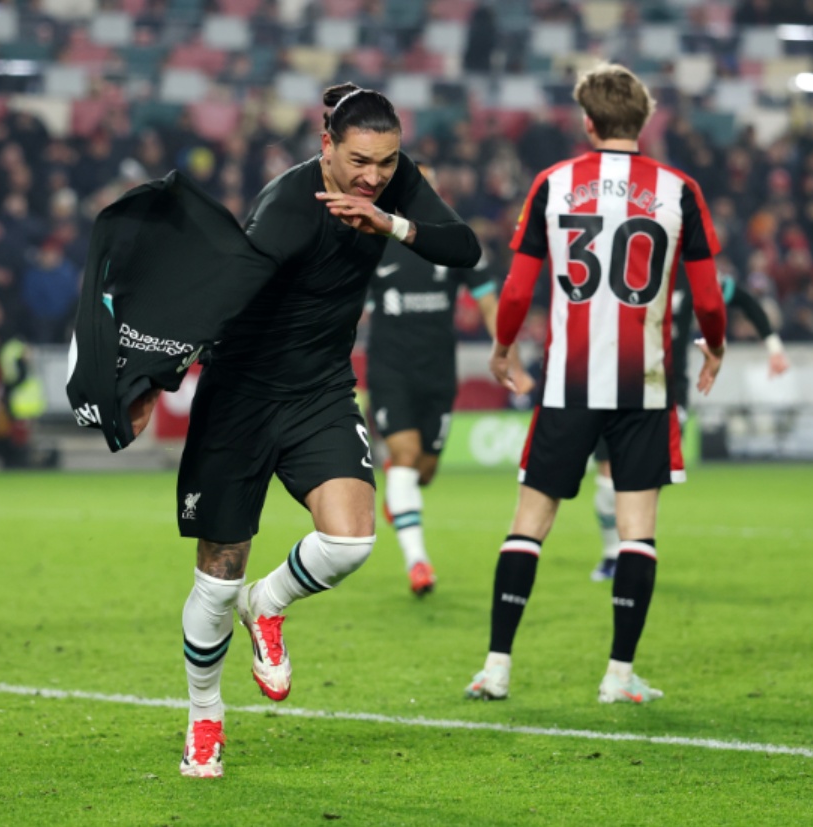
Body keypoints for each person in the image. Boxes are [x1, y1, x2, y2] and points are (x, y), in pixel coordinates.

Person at [126, 83, 481, 778]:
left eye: (385, 161)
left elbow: (462, 247)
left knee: (351, 539)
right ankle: (204, 719)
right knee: (216, 579)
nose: (373, 175)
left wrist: (392, 223)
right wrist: (155, 383)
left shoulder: (392, 183)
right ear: (326, 147)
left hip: (319, 389)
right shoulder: (287, 209)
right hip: (240, 397)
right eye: (358, 161)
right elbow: (221, 297)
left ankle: (272, 602)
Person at [463, 63, 727, 705]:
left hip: (567, 384)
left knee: (529, 525)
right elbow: (710, 297)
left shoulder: (554, 183)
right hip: (645, 385)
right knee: (637, 533)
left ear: (588, 122)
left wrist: (502, 347)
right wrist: (713, 347)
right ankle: (618, 675)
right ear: (644, 120)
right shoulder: (678, 189)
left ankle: (496, 667)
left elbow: (519, 286)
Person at [590, 270, 789, 580]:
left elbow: (744, 300)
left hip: (667, 391)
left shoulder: (691, 274)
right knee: (606, 477)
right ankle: (611, 554)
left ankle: (635, 550)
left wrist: (774, 348)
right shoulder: (618, 264)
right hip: (612, 384)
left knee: (648, 477)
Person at [367, 226, 533, 596]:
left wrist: (509, 355)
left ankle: (399, 482)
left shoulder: (455, 244)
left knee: (423, 472)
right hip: (389, 371)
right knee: (407, 453)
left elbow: (490, 303)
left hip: (439, 374)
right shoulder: (373, 243)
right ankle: (418, 562)